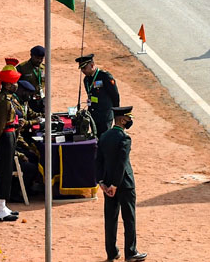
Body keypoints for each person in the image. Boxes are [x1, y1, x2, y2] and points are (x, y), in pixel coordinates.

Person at [96, 105, 146, 262]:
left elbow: (98, 161)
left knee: (110, 219)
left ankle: (112, 252)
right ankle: (130, 252)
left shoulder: (104, 136)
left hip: (108, 184)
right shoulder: (125, 138)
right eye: (129, 118)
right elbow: (122, 163)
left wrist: (102, 182)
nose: (130, 120)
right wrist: (116, 185)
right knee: (129, 219)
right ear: (123, 119)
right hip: (124, 185)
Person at [0, 68, 23, 222]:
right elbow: (0, 124)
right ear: (7, 85)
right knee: (4, 172)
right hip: (5, 137)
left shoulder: (7, 98)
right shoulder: (4, 101)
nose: (16, 85)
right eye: (14, 82)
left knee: (7, 172)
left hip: (10, 135)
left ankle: (3, 206)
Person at [77, 53, 120, 136]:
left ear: (92, 65)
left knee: (104, 138)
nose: (83, 71)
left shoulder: (105, 77)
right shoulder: (86, 79)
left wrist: (116, 113)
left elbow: (115, 95)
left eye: (84, 68)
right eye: (81, 69)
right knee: (95, 137)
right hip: (93, 114)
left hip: (105, 115)